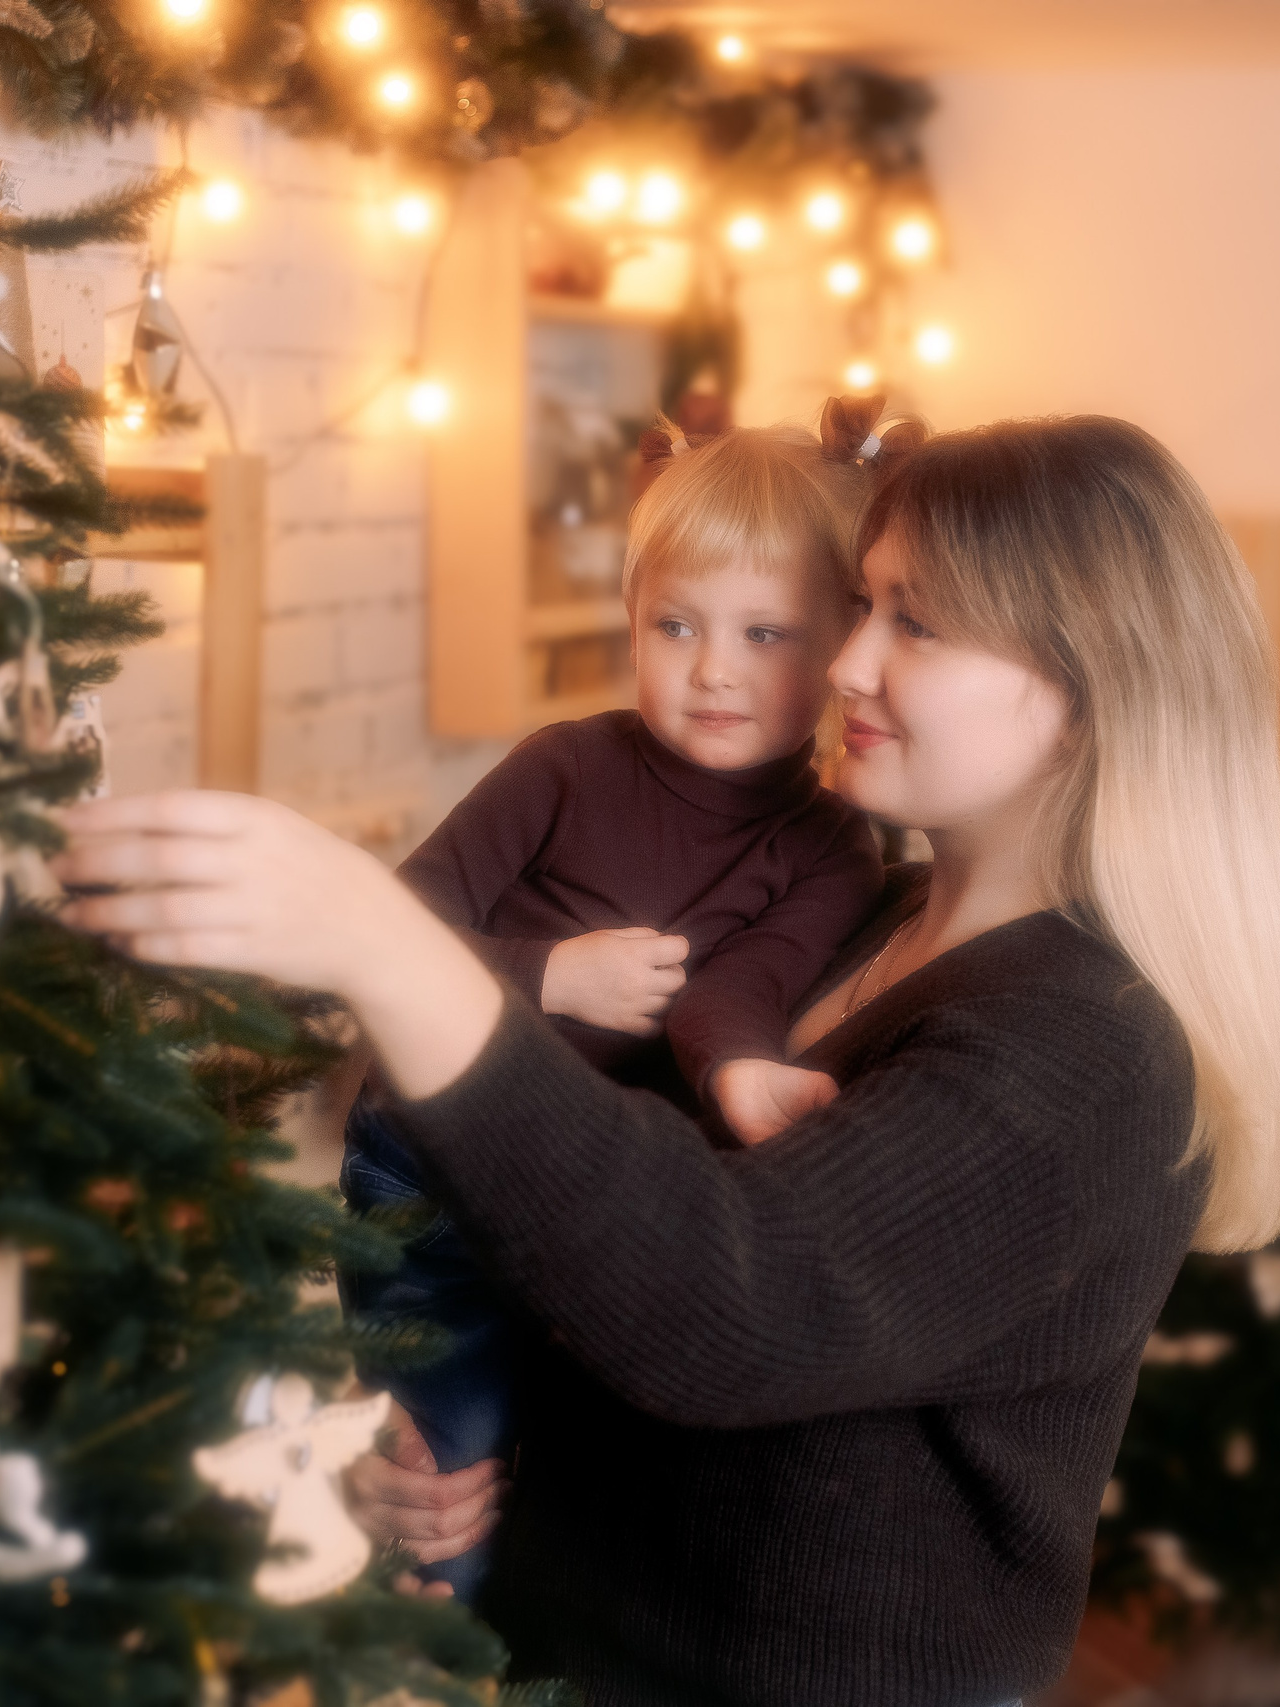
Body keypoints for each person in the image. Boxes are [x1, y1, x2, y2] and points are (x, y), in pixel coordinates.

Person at [56, 414, 1280, 1706]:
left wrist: (391, 944)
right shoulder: (872, 916)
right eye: (863, 606)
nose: (849, 661)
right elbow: (608, 1238)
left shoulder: (1092, 1044)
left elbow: (738, 1304)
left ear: (1088, 683)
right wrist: (447, 1434)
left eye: (916, 622)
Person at [336, 399, 900, 1599]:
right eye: (676, 626)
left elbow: (744, 987)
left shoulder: (833, 846)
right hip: (431, 1167)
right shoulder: (563, 766)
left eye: (764, 634)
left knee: (585, 1476)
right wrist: (552, 976)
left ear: (844, 641)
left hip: (593, 1194)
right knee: (453, 1472)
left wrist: (739, 1071)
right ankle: (426, 1642)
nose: (712, 671)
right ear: (632, 622)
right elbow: (396, 921)